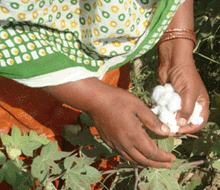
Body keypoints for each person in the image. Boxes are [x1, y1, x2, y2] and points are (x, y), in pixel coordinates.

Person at [0, 0, 209, 172]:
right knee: (24, 166)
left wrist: (177, 45)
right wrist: (96, 100)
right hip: (14, 76)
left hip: (103, 56)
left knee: (89, 157)